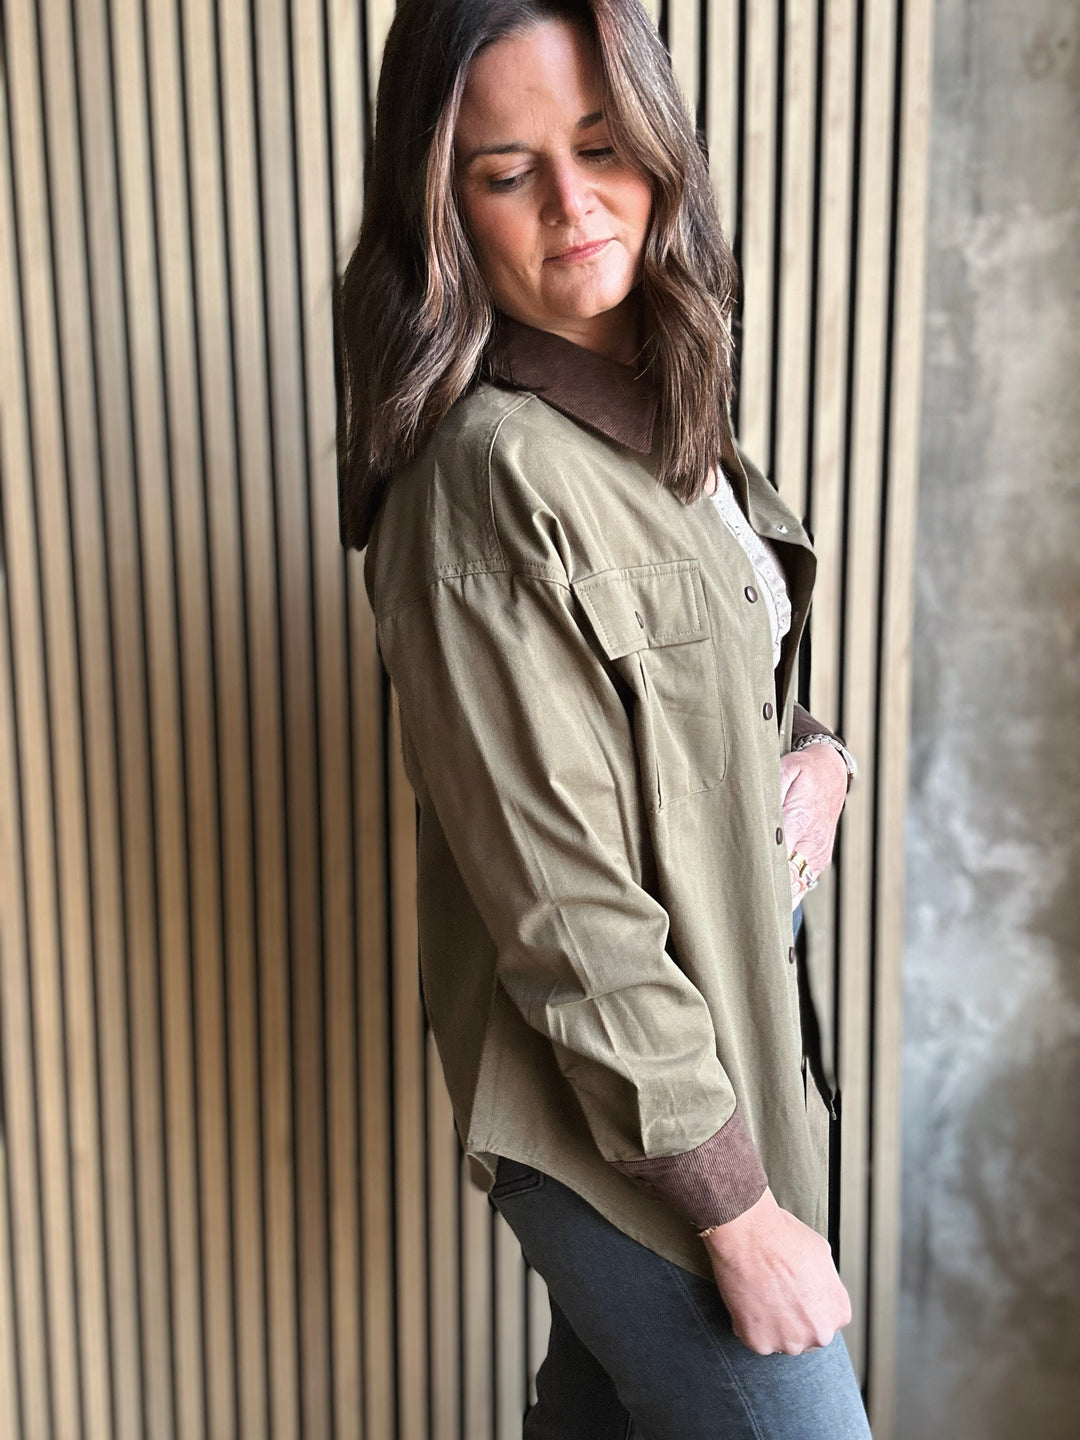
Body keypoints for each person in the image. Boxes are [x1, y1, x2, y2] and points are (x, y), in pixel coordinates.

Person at [335, 1, 869, 1435]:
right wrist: (736, 1208)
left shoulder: (661, 405)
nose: (575, 205)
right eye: (508, 172)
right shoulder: (482, 479)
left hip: (729, 1048)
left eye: (603, 145)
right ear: (443, 209)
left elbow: (712, 680)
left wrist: (821, 757)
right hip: (629, 1125)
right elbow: (562, 904)